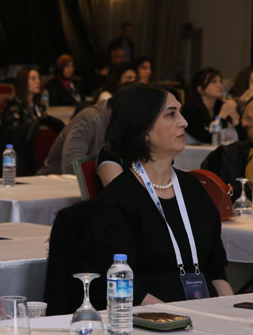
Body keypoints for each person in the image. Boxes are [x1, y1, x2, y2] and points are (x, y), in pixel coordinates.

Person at [81, 83, 234, 309]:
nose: (184, 122)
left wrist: (229, 309)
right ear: (144, 130)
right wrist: (174, 316)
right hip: (151, 317)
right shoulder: (119, 198)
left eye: (180, 113)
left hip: (205, 312)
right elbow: (121, 282)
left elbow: (216, 271)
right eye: (171, 114)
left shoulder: (193, 188)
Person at [38, 98, 111, 174]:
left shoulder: (110, 119)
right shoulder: (88, 119)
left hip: (85, 178)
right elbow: (72, 167)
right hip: (55, 178)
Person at [180, 67, 241, 144]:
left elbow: (242, 138)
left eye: (220, 82)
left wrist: (235, 118)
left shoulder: (220, 105)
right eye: (213, 82)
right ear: (200, 89)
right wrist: (221, 116)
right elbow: (206, 138)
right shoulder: (190, 109)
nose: (220, 86)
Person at [0, 67, 45, 135]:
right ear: (23, 82)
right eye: (33, 78)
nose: (38, 82)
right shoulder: (13, 106)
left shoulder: (39, 106)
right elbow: (13, 133)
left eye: (39, 78)